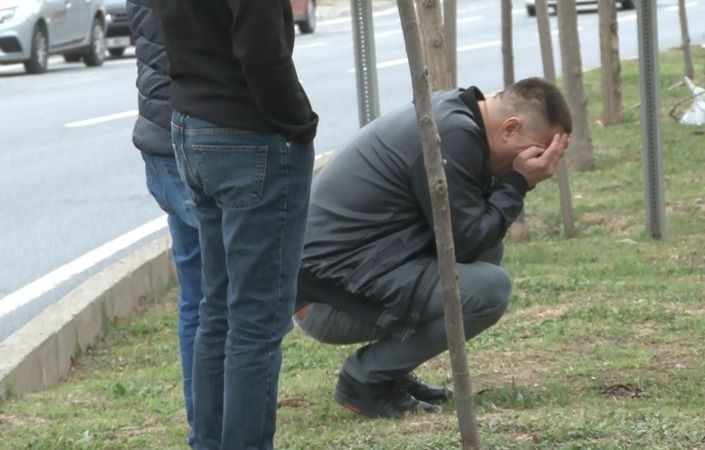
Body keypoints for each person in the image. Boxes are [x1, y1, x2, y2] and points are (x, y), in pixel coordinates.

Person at [295, 77, 571, 419]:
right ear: (510, 128)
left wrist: (509, 182)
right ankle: (364, 379)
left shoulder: (456, 118)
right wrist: (517, 183)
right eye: (538, 151)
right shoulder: (451, 138)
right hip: (325, 303)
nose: (539, 162)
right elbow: (465, 241)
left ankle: (389, 372)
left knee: (488, 254)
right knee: (488, 289)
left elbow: (468, 240)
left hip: (351, 275)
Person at [152, 1, 318, 449]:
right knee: (254, 320)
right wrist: (300, 124)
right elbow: (261, 47)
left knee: (219, 309)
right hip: (246, 129)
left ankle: (208, 441)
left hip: (193, 121)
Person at [126, 0, 201, 445]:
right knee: (225, 300)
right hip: (198, 135)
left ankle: (206, 426)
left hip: (160, 138)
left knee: (197, 295)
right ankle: (220, 427)